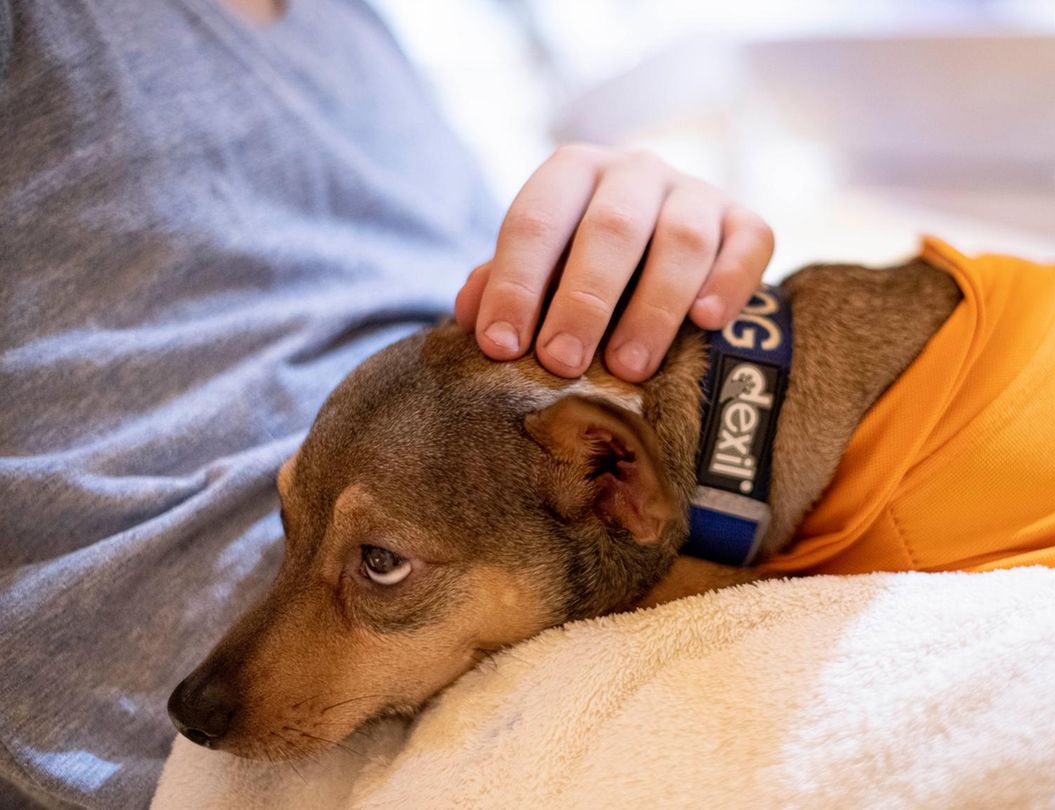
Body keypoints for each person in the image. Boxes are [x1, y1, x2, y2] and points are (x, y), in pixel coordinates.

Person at [0, 0, 772, 806]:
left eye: (376, 562)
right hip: (232, 767)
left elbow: (489, 356)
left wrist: (640, 236)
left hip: (570, 575)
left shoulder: (359, 25)